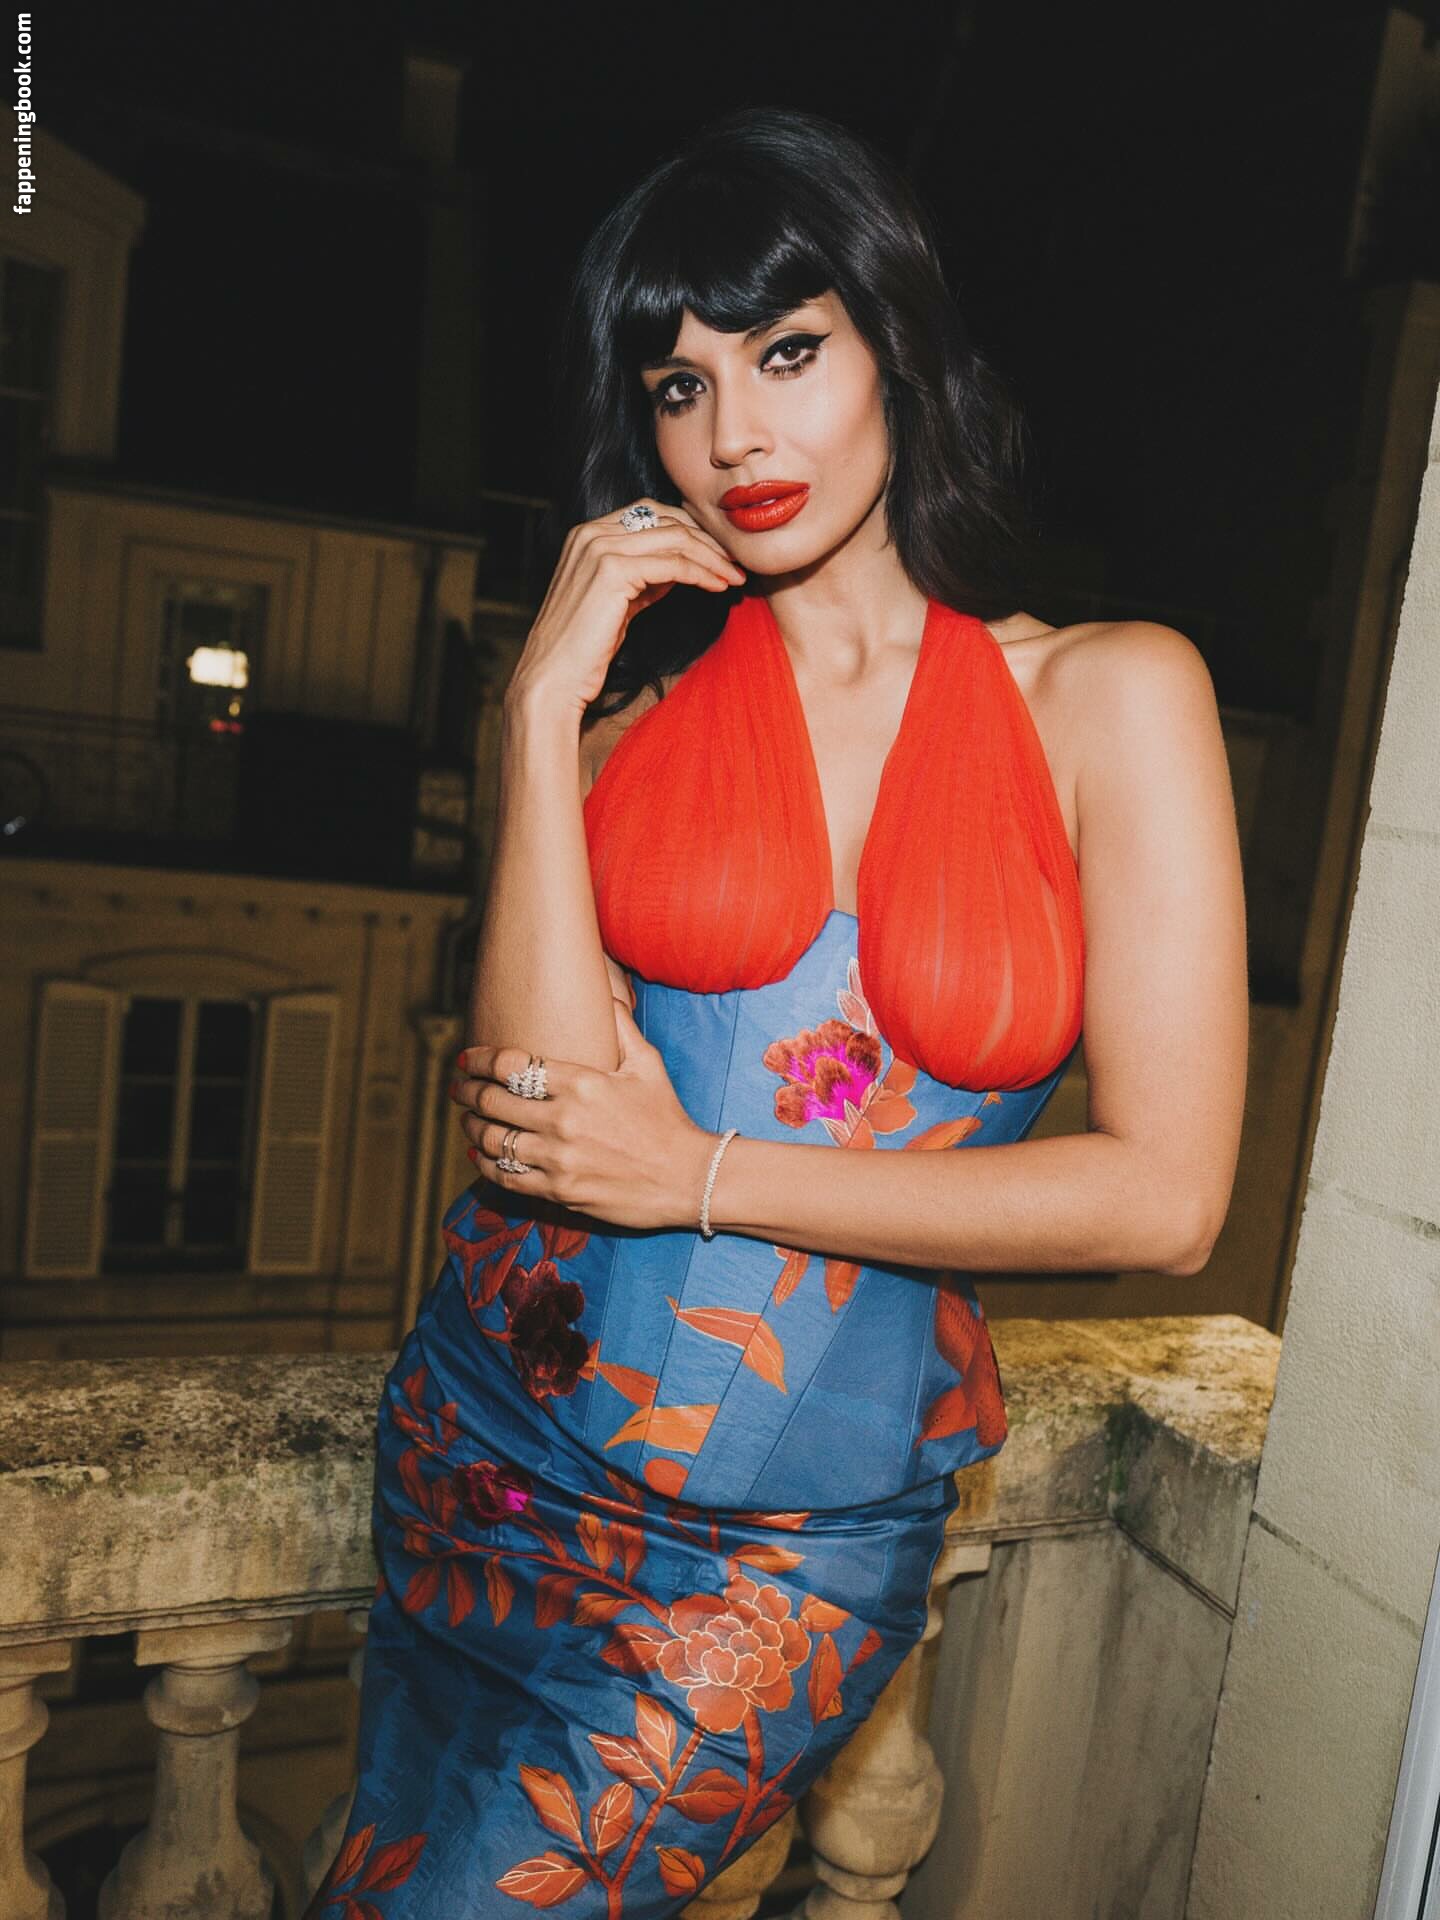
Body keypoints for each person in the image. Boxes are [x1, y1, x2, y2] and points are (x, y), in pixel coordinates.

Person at [305, 105, 1247, 1917]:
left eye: (788, 353)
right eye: (681, 384)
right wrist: (536, 715)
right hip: (491, 1453)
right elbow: (532, 1119)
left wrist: (706, 1176)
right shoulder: (624, 732)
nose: (734, 432)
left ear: (899, 347)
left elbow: (1166, 1195)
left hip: (790, 1552)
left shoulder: (1113, 699)